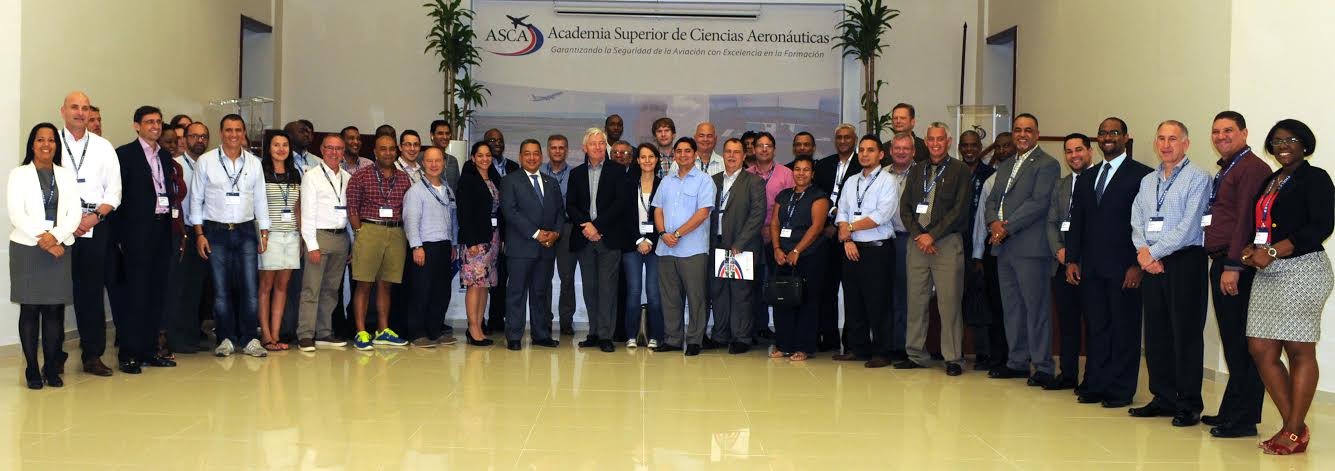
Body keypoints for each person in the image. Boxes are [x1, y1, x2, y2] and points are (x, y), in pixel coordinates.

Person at [1241, 119, 1333, 455]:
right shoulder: (1271, 180)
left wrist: (1274, 251)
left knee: (1298, 350)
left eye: (1291, 140)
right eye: (1277, 140)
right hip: (1269, 270)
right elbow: (1264, 225)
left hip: (1303, 269)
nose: (1283, 145)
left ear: (1305, 144)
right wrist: (1253, 248)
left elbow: (1322, 225)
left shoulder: (1315, 177)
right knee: (1260, 348)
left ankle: (1292, 432)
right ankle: (1294, 426)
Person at [1126, 120, 1211, 427]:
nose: (1166, 144)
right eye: (1161, 138)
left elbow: (1190, 225)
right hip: (1151, 261)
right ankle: (1162, 398)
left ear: (1186, 143)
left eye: (1173, 139)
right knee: (1157, 333)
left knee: (1185, 333)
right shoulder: (1148, 181)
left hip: (1184, 261)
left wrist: (1153, 253)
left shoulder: (1198, 178)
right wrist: (1143, 253)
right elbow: (1136, 218)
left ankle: (1188, 404)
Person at [1065, 117, 1153, 408]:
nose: (1108, 137)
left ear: (1125, 137)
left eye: (1114, 132)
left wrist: (1137, 264)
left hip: (1125, 267)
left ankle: (1120, 389)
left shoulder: (1142, 175)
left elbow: (1144, 224)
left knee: (1124, 330)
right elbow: (1077, 221)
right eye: (1103, 133)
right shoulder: (1087, 177)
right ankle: (1095, 383)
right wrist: (1072, 259)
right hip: (1091, 268)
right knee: (1096, 328)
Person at [1201, 111, 1270, 438]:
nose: (1221, 136)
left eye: (1228, 130)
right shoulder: (1230, 167)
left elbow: (1245, 219)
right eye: (1216, 131)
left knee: (1242, 344)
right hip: (1223, 261)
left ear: (1244, 133)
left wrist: (1233, 266)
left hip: (1236, 265)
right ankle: (1231, 410)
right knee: (1232, 341)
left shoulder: (1251, 168)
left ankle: (1244, 419)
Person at [984, 113, 1060, 386]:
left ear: (1037, 134)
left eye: (1028, 130)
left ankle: (1043, 366)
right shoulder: (1006, 165)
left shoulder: (1048, 164)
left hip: (1031, 249)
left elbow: (1038, 203)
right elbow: (992, 201)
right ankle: (1017, 362)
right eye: (1018, 130)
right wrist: (993, 223)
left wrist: (1005, 228)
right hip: (1004, 249)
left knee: (1036, 310)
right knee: (1012, 309)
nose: (1022, 134)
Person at [190, 114, 270, 358]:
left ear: (243, 133)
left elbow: (260, 199)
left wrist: (264, 232)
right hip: (215, 231)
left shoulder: (254, 163)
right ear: (221, 133)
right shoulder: (206, 161)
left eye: (237, 130)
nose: (233, 135)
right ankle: (225, 338)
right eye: (228, 130)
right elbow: (196, 199)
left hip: (246, 231)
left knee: (250, 288)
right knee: (221, 289)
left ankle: (250, 339)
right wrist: (199, 234)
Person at [897, 123, 972, 375]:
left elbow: (960, 209)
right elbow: (905, 207)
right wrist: (920, 235)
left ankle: (953, 358)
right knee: (916, 301)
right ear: (926, 142)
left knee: (949, 304)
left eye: (940, 139)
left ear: (948, 142)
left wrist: (933, 235)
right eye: (931, 139)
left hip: (947, 243)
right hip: (917, 242)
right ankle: (916, 354)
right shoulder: (917, 170)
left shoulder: (960, 170)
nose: (936, 143)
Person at [9, 123, 81, 388]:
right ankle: (31, 368)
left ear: (56, 145)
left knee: (54, 310)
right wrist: (45, 240)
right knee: (30, 308)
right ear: (32, 144)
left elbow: (74, 214)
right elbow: (16, 213)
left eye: (51, 140)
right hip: (28, 248)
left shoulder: (66, 175)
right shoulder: (19, 174)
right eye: (40, 139)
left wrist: (56, 237)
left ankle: (51, 367)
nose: (46, 144)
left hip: (59, 246)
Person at [113, 106, 179, 373]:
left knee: (157, 292)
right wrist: (120, 236)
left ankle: (151, 350)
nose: (155, 126)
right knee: (135, 294)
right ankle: (129, 353)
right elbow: (117, 197)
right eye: (149, 122)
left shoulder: (164, 155)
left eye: (159, 122)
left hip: (162, 229)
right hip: (136, 233)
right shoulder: (125, 154)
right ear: (136, 126)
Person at [58, 92, 120, 377]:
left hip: (95, 225)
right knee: (54, 293)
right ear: (63, 111)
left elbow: (114, 191)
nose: (80, 113)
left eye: (84, 108)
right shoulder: (52, 142)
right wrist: (69, 221)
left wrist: (94, 217)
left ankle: (92, 355)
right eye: (74, 107)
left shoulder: (103, 147)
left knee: (91, 292)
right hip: (59, 228)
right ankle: (54, 356)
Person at [833, 135, 901, 367]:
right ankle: (857, 349)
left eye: (870, 150)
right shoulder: (851, 181)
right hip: (851, 247)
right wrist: (847, 238)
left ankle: (881, 352)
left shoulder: (888, 181)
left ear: (881, 155)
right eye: (861, 150)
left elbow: (881, 215)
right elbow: (842, 211)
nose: (864, 154)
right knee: (854, 301)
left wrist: (850, 228)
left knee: (878, 302)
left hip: (877, 250)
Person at [345, 134, 412, 351]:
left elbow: (407, 209)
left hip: (396, 233)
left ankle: (383, 331)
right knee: (364, 284)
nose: (388, 153)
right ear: (375, 152)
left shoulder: (403, 179)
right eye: (383, 149)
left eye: (392, 149)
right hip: (369, 230)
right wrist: (360, 232)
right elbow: (352, 208)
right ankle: (361, 331)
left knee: (386, 284)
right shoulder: (361, 176)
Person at [500, 139, 566, 350]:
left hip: (546, 248)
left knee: (540, 293)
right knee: (516, 293)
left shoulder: (551, 182)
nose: (532, 157)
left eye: (536, 153)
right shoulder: (510, 181)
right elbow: (510, 212)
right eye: (527, 153)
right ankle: (514, 336)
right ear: (520, 157)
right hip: (521, 248)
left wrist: (555, 233)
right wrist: (537, 234)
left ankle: (541, 334)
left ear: (541, 156)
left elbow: (560, 212)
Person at [653, 137, 716, 355]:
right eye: (678, 151)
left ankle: (695, 340)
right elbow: (658, 209)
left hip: (693, 249)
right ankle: (672, 339)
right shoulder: (666, 181)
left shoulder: (704, 181)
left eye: (687, 151)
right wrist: (663, 233)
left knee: (696, 297)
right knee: (670, 297)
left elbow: (703, 213)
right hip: (666, 248)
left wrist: (677, 234)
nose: (682, 155)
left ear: (695, 154)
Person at [568, 128, 628, 353]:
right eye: (593, 144)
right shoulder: (576, 173)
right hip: (585, 239)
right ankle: (593, 332)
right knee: (590, 288)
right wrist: (587, 226)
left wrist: (597, 226)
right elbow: (571, 205)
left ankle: (606, 335)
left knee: (607, 289)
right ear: (585, 148)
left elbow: (620, 204)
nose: (598, 147)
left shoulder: (618, 171)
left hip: (608, 238)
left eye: (601, 143)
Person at [770, 156, 830, 361]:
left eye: (806, 170)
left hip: (809, 256)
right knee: (782, 300)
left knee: (807, 302)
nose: (801, 173)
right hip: (783, 256)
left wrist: (797, 250)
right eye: (797, 169)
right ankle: (784, 345)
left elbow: (816, 227)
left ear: (812, 174)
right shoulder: (784, 195)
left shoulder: (819, 196)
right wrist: (777, 248)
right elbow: (775, 224)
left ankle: (804, 347)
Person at [296, 134, 353, 352]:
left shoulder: (347, 177)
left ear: (343, 152)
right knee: (311, 288)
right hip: (319, 236)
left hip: (341, 238)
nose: (334, 152)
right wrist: (311, 244)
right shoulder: (312, 177)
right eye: (330, 148)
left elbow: (349, 211)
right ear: (321, 150)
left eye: (338, 149)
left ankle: (324, 332)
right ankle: (305, 334)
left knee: (331, 290)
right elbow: (307, 212)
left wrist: (351, 243)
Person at [710, 138, 766, 353]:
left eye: (736, 152)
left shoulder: (754, 182)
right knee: (719, 292)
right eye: (728, 152)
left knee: (741, 294)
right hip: (717, 244)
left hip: (740, 246)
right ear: (723, 155)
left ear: (744, 156)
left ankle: (741, 338)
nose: (732, 156)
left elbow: (757, 215)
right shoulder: (713, 180)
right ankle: (720, 335)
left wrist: (740, 242)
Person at [402, 146, 460, 348]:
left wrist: (453, 243)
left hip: (444, 246)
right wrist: (416, 247)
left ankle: (435, 331)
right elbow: (411, 221)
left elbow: (453, 219)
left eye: (438, 160)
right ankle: (418, 333)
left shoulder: (448, 190)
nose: (434, 165)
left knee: (441, 291)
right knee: (421, 291)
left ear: (444, 163)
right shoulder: (415, 191)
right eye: (429, 161)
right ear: (423, 164)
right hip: (424, 247)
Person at [1045, 133, 1091, 390]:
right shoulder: (1060, 185)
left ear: (1090, 152)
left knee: (1093, 325)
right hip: (1062, 265)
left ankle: (1092, 377)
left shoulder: (1098, 181)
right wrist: (1060, 251)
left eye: (1079, 149)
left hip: (1089, 266)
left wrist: (1077, 257)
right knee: (1067, 323)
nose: (1074, 155)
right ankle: (1068, 374)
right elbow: (1051, 222)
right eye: (1069, 151)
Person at [812, 124, 860, 352]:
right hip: (826, 236)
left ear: (855, 139)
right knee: (826, 289)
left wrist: (840, 224)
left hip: (853, 235)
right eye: (839, 137)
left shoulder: (862, 164)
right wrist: (827, 223)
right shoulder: (824, 165)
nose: (842, 141)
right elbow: (818, 196)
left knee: (852, 291)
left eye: (847, 137)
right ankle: (829, 338)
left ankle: (851, 342)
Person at [747, 132, 796, 341]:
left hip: (778, 238)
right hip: (751, 236)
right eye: (760, 145)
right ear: (754, 149)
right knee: (752, 283)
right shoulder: (746, 174)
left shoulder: (786, 173)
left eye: (768, 145)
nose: (764, 149)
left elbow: (793, 205)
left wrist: (773, 230)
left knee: (775, 283)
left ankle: (777, 329)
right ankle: (755, 327)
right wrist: (756, 229)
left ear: (774, 150)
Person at [167, 122, 210, 353]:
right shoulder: (177, 166)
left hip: (202, 231)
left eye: (203, 137)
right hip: (181, 231)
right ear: (185, 139)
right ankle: (175, 338)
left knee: (197, 287)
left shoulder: (210, 164)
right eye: (194, 136)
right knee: (179, 286)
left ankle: (192, 335)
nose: (199, 140)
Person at [256, 131, 301, 351]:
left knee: (282, 287)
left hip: (291, 236)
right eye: (276, 145)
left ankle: (276, 334)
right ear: (268, 148)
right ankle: (265, 335)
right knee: (266, 286)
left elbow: (298, 206)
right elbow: (256, 206)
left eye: (285, 145)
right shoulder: (260, 172)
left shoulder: (295, 173)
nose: (281, 149)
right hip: (270, 236)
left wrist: (302, 235)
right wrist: (261, 235)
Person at [457, 142, 502, 346]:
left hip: (492, 238)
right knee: (474, 285)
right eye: (480, 155)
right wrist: (471, 241)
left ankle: (479, 326)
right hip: (475, 240)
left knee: (485, 285)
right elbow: (464, 213)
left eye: (488, 155)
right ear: (473, 158)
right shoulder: (468, 180)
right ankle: (473, 327)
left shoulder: (493, 179)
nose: (485, 159)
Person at [960, 130, 997, 367]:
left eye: (974, 145)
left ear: (980, 147)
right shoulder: (953, 172)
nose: (969, 149)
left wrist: (979, 254)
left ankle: (983, 352)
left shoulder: (990, 175)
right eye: (965, 145)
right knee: (955, 300)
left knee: (981, 300)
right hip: (955, 244)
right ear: (959, 148)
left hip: (981, 247)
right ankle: (953, 350)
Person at [623, 144, 665, 349]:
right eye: (643, 157)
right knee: (633, 291)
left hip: (656, 245)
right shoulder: (628, 184)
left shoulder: (663, 185)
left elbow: (665, 216)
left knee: (654, 292)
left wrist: (650, 240)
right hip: (632, 245)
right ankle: (631, 335)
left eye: (651, 157)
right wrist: (639, 240)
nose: (647, 160)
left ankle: (656, 335)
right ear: (637, 160)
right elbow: (625, 216)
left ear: (656, 160)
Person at [482, 128, 519, 334]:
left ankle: (498, 319)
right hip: (485, 230)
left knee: (503, 276)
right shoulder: (477, 166)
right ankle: (479, 321)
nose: (497, 143)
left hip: (510, 230)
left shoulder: (514, 167)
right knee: (482, 278)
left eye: (500, 140)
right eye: (492, 140)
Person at [884, 133, 915, 361]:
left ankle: (903, 344)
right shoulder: (881, 174)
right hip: (884, 239)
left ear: (913, 151)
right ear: (890, 150)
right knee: (886, 293)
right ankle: (888, 342)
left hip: (909, 239)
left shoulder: (922, 173)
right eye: (897, 148)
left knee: (906, 294)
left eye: (906, 148)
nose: (901, 152)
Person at [541, 134, 577, 336]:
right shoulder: (538, 172)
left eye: (561, 147)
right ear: (548, 150)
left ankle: (566, 321)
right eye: (553, 147)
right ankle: (544, 320)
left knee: (567, 277)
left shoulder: (575, 174)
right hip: (544, 230)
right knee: (544, 276)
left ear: (567, 151)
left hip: (567, 228)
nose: (557, 151)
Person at [429, 120, 463, 190]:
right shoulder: (422, 158)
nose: (445, 137)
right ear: (432, 135)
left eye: (447, 133)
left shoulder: (453, 160)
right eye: (440, 133)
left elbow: (457, 188)